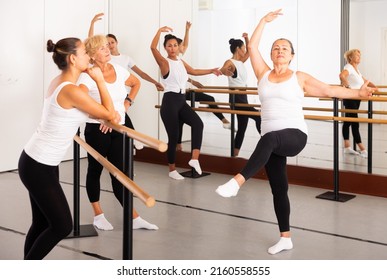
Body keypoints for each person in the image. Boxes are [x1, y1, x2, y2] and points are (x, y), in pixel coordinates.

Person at [215, 9, 376, 255]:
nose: (279, 50)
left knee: (268, 138)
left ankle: (238, 182)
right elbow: (254, 46)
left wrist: (358, 94)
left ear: (291, 55)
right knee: (279, 188)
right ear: (271, 54)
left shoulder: (298, 77)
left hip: (294, 136)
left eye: (284, 48)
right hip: (271, 142)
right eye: (276, 48)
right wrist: (262, 22)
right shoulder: (263, 74)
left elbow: (329, 90)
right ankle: (285, 237)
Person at [18, 37, 117, 259]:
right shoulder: (70, 90)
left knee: (42, 222)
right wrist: (100, 81)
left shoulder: (62, 83)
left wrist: (103, 113)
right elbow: (108, 113)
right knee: (62, 226)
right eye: (84, 53)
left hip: (39, 161)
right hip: (38, 165)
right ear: (73, 59)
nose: (89, 57)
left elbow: (82, 111)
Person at [78, 35, 158, 231]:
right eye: (102, 48)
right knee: (95, 170)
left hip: (119, 127)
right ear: (92, 54)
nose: (107, 50)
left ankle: (134, 217)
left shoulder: (120, 71)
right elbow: (79, 101)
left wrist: (126, 104)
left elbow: (136, 83)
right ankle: (98, 215)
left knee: (120, 174)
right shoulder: (87, 75)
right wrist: (103, 117)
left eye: (107, 46)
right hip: (97, 129)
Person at [151, 26, 222, 180]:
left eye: (175, 45)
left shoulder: (181, 62)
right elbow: (152, 47)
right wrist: (159, 32)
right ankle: (172, 170)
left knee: (198, 124)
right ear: (165, 48)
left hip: (181, 100)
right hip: (170, 102)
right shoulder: (164, 62)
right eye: (169, 45)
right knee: (174, 136)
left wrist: (211, 70)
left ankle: (194, 159)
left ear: (178, 47)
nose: (172, 48)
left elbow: (194, 71)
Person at [89, 13, 164, 150]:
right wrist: (92, 24)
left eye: (111, 43)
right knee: (121, 121)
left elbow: (140, 75)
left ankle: (132, 140)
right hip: (107, 100)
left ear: (116, 43)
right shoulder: (102, 58)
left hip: (121, 97)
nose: (109, 46)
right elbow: (91, 45)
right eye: (106, 44)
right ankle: (134, 139)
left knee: (121, 118)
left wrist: (154, 82)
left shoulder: (125, 59)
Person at [175, 22, 231, 152]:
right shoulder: (172, 61)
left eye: (179, 45)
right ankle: (177, 144)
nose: (183, 48)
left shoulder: (179, 60)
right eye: (180, 46)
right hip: (177, 94)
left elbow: (187, 71)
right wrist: (193, 81)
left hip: (184, 92)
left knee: (208, 99)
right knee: (180, 119)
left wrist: (187, 30)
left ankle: (223, 120)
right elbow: (187, 72)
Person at [220, 33, 262, 157]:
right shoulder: (231, 62)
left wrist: (247, 39)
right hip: (236, 98)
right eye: (243, 47)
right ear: (238, 49)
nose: (245, 50)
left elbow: (250, 50)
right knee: (258, 116)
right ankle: (267, 143)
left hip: (243, 98)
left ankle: (234, 155)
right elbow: (223, 69)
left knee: (242, 128)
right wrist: (224, 71)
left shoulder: (241, 61)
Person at [339, 49, 376, 158]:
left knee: (347, 122)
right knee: (355, 122)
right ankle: (362, 148)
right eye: (357, 55)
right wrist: (347, 87)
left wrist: (375, 88)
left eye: (360, 55)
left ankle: (347, 147)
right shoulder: (348, 67)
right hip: (350, 97)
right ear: (350, 57)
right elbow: (342, 76)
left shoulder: (357, 71)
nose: (359, 57)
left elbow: (365, 81)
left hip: (356, 98)